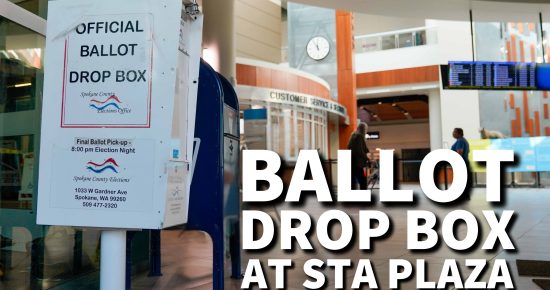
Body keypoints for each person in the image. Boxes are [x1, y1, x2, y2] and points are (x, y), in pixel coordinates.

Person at [347, 122, 369, 189]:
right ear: (363, 129)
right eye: (365, 129)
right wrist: (367, 158)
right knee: (363, 182)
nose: (366, 131)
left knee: (353, 182)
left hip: (352, 162)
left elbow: (348, 147)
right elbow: (360, 151)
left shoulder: (353, 135)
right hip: (359, 163)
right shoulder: (359, 136)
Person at [451, 127, 471, 199]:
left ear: (459, 133)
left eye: (454, 132)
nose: (453, 133)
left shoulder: (460, 141)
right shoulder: (463, 140)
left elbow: (459, 152)